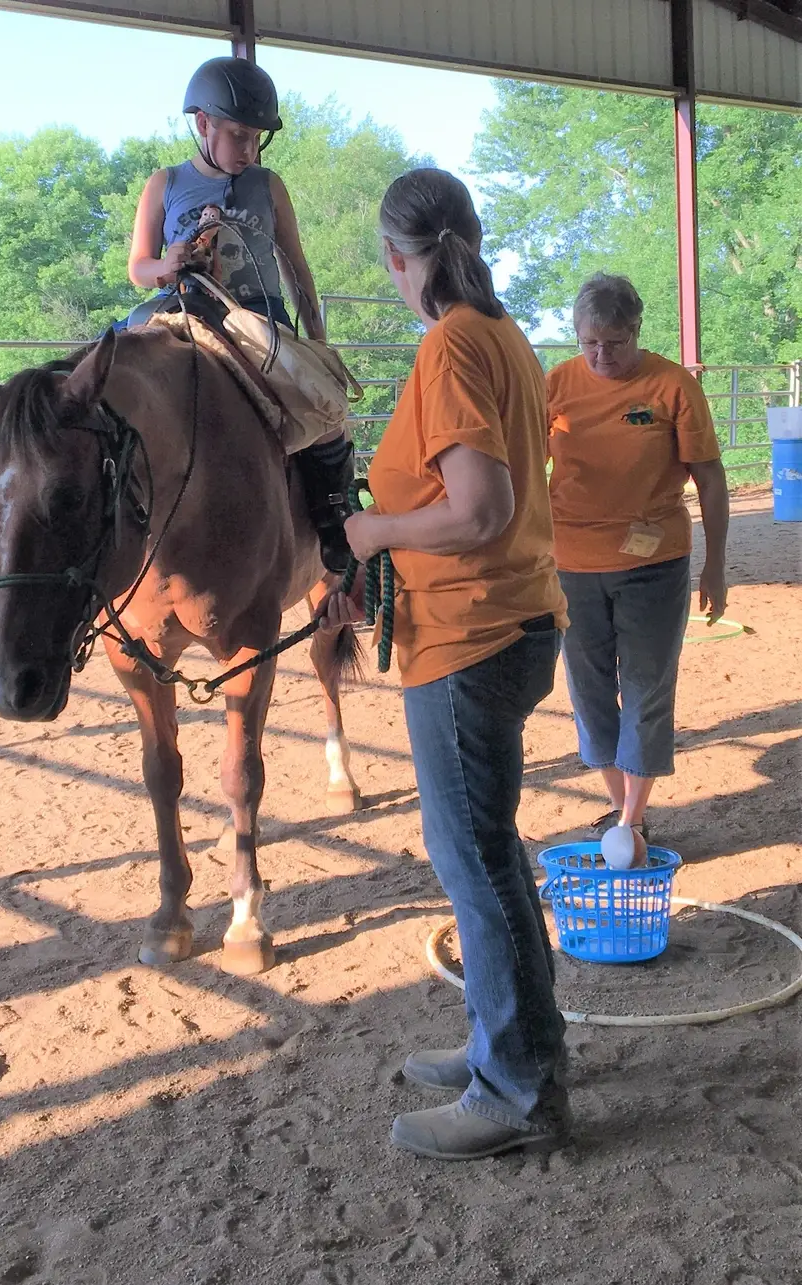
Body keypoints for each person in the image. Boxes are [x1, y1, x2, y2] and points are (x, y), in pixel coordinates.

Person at [323, 168, 570, 1160]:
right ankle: (507, 1047)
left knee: (475, 864)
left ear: (397, 258)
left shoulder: (453, 345)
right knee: (491, 856)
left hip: (469, 637)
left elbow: (476, 509)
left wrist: (372, 531)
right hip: (497, 621)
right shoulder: (501, 335)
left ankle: (515, 1090)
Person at [125, 56, 354, 572]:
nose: (248, 149)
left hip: (258, 320)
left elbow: (295, 266)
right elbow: (138, 266)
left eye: (255, 138)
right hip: (183, 309)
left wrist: (314, 335)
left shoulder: (270, 186)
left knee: (323, 405)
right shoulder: (163, 183)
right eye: (237, 135)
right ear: (203, 124)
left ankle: (333, 515)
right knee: (113, 372)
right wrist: (167, 264)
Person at [546, 274, 729, 845]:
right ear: (577, 335)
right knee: (589, 687)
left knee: (648, 687)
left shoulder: (674, 387)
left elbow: (711, 478)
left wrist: (716, 564)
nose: (601, 355)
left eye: (615, 343)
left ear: (637, 331)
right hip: (572, 564)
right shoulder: (553, 386)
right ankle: (621, 806)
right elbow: (522, 470)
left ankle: (631, 820)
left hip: (655, 562)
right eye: (590, 343)